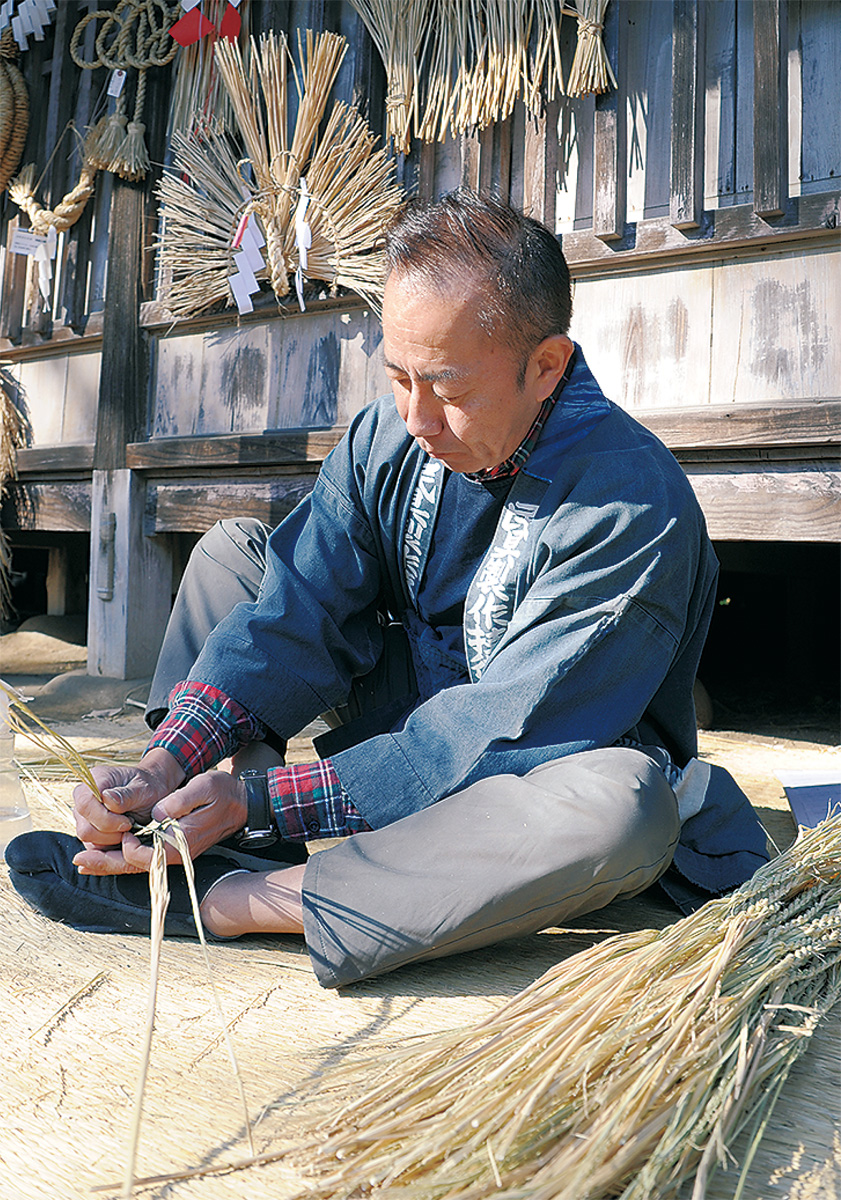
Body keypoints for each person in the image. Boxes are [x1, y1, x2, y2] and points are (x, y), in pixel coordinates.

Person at [6, 192, 768, 988]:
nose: (417, 417)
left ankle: (239, 894)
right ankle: (186, 820)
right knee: (237, 557)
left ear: (546, 366)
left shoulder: (628, 502)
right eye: (398, 375)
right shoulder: (387, 435)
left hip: (534, 763)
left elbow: (508, 729)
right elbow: (300, 607)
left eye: (447, 387)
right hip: (402, 707)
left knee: (624, 808)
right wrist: (168, 761)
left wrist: (265, 798)